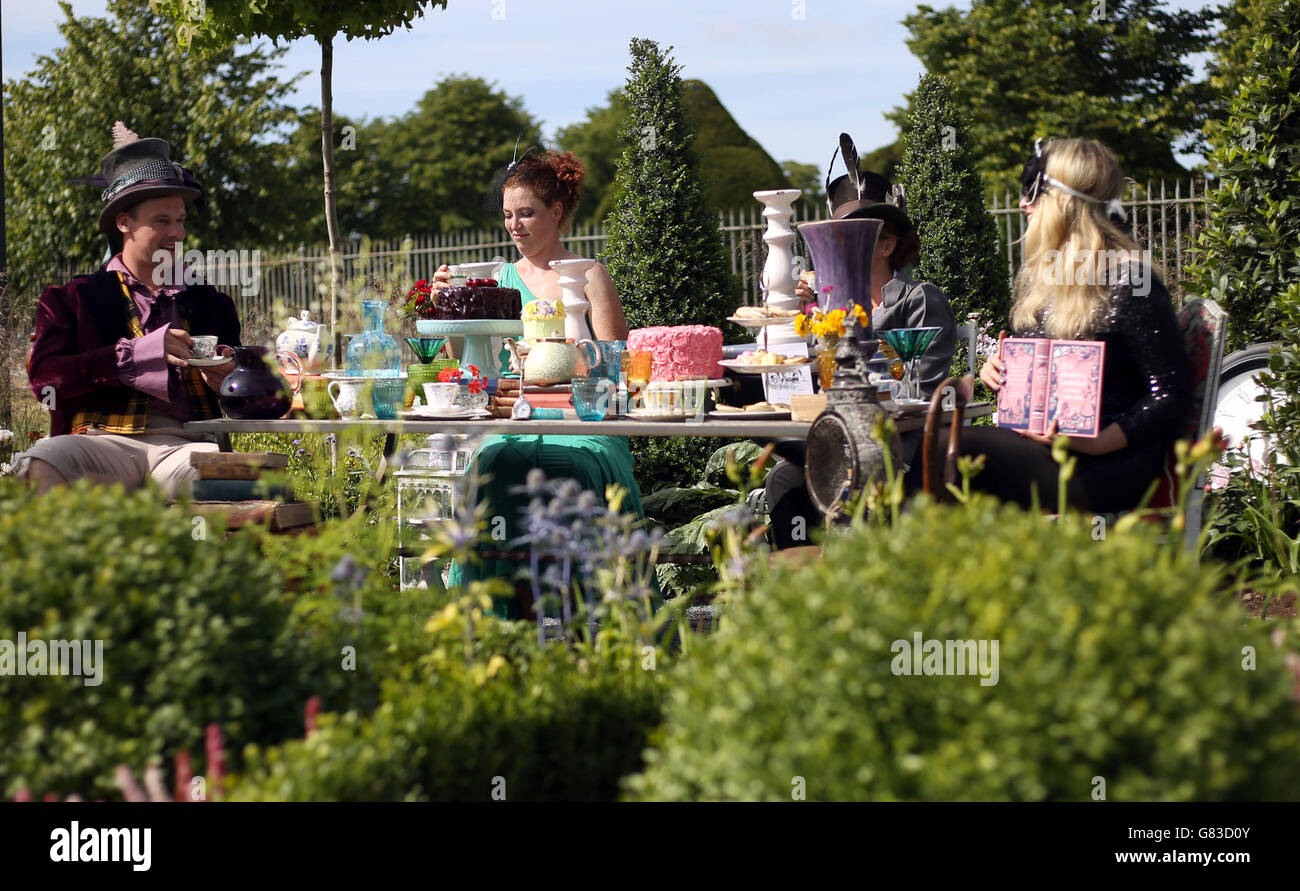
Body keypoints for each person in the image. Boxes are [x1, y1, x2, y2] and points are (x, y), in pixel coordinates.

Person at [435, 151, 646, 618]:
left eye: (527, 213)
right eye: (508, 215)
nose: (515, 225)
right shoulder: (497, 280)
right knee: (489, 468)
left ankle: (600, 621)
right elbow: (466, 366)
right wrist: (448, 306)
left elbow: (617, 366)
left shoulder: (589, 275)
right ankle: (494, 622)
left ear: (557, 212)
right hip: (513, 414)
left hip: (583, 416)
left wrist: (561, 363)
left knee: (579, 468)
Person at [943, 137, 1187, 512]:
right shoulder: (1044, 278)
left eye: (1033, 192)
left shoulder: (1131, 282)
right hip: (1038, 449)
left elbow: (1169, 393)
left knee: (949, 452)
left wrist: (1099, 441)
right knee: (934, 447)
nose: (1023, 204)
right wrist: (1000, 371)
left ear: (1062, 201)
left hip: (1103, 467)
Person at [17, 123, 241, 498]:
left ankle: (205, 557)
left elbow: (251, 383)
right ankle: (70, 559)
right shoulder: (72, 298)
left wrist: (231, 379)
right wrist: (137, 354)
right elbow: (46, 381)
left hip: (185, 443)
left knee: (220, 478)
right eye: (162, 221)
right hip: (101, 443)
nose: (178, 234)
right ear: (124, 223)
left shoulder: (210, 303)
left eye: (181, 220)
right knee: (46, 459)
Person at [765, 165, 956, 549]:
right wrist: (796, 320)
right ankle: (800, 584)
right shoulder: (824, 309)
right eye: (835, 234)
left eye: (854, 234)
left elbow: (925, 387)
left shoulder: (917, 298)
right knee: (783, 475)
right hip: (833, 430)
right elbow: (797, 380)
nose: (838, 243)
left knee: (831, 460)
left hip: (898, 437)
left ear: (887, 245)